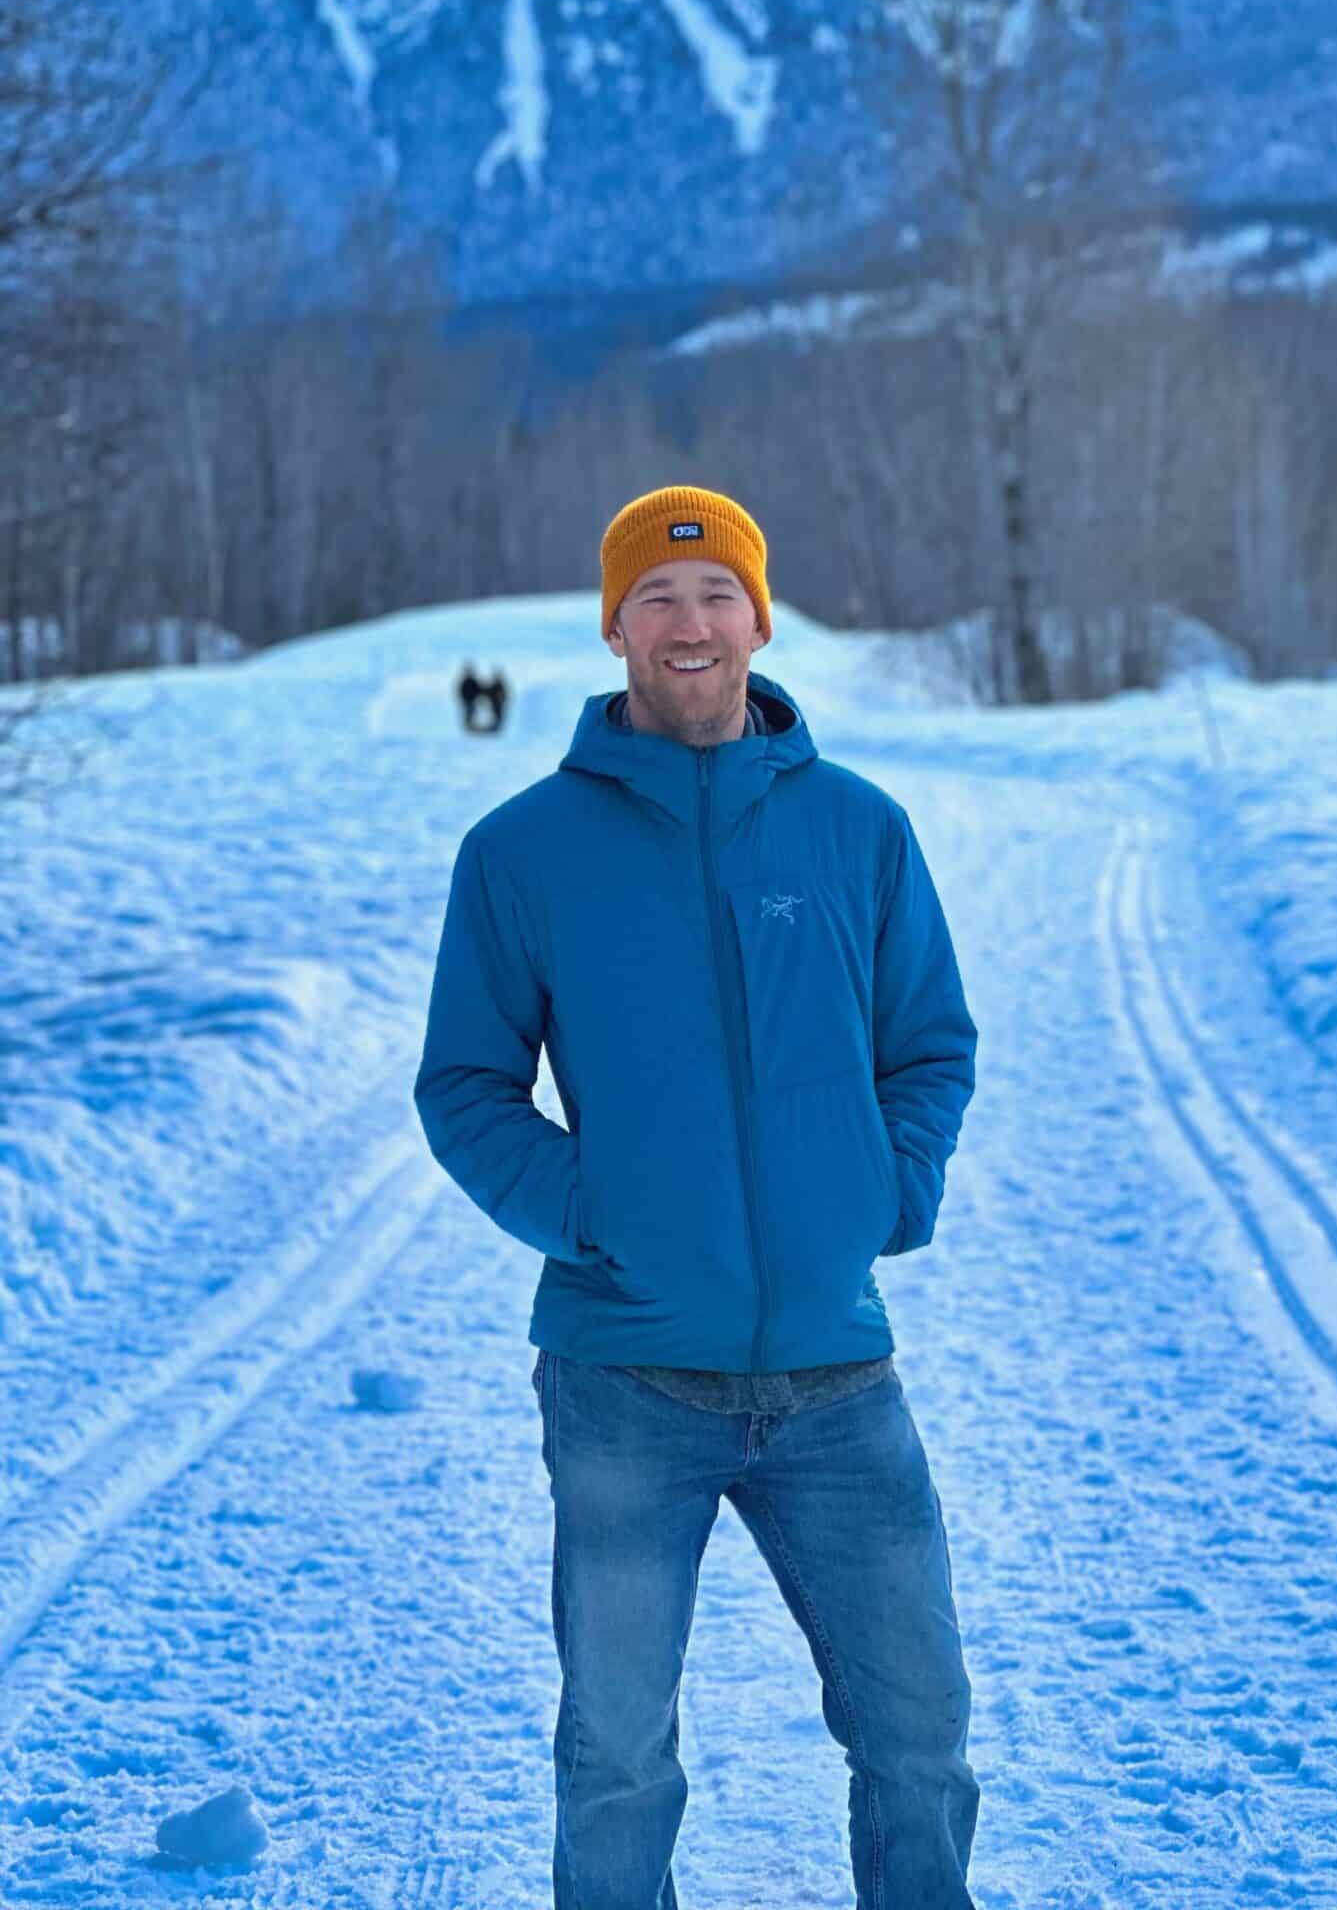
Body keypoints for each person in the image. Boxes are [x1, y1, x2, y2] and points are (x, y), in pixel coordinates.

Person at [413, 485, 982, 1910]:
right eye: (657, 599)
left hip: (840, 1377)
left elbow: (930, 1045)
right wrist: (594, 1209)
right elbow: (465, 1087)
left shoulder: (858, 830)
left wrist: (887, 1194)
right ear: (615, 626)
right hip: (626, 1381)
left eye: (716, 594)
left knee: (919, 1737)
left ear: (758, 617)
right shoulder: (523, 851)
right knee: (617, 1753)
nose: (689, 624)